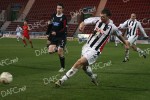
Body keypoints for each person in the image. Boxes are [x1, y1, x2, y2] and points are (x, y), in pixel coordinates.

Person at [55, 8, 129, 87]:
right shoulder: (97, 20)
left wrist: (125, 43)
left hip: (95, 50)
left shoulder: (112, 27)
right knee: (84, 67)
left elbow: (119, 35)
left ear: (108, 17)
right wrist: (81, 26)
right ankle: (93, 77)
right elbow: (84, 22)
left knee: (79, 62)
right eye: (100, 16)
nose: (101, 18)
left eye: (103, 17)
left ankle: (62, 80)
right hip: (86, 46)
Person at [46, 3, 67, 72]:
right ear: (56, 8)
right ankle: (61, 47)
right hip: (53, 36)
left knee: (59, 52)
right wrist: (47, 33)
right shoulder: (53, 16)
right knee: (50, 51)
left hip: (61, 37)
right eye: (58, 8)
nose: (58, 9)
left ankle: (63, 68)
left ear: (62, 9)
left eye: (60, 8)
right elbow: (50, 25)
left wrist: (57, 33)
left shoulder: (64, 17)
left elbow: (64, 29)